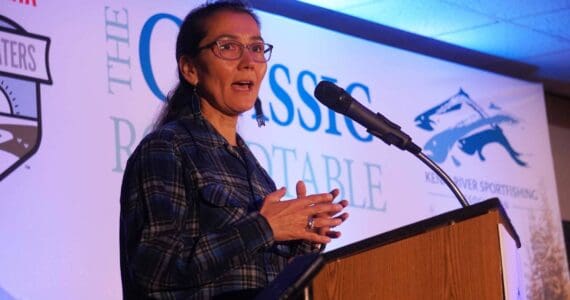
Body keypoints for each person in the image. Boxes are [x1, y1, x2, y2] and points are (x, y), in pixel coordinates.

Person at [119, 1, 349, 299]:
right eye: (228, 47)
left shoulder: (254, 170)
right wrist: (265, 227)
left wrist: (302, 241)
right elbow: (154, 269)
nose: (248, 61)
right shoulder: (168, 147)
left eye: (256, 48)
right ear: (190, 69)